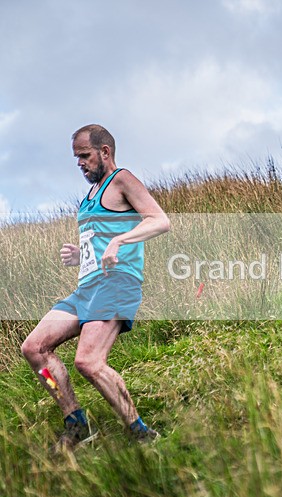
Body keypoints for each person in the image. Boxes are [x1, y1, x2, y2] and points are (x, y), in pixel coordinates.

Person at [21, 124, 171, 453]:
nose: (80, 164)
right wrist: (81, 255)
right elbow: (99, 243)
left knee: (88, 361)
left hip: (117, 285)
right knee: (34, 348)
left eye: (85, 156)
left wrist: (119, 240)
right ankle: (76, 421)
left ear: (104, 152)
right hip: (86, 289)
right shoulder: (89, 197)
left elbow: (160, 220)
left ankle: (142, 433)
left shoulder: (122, 180)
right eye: (76, 159)